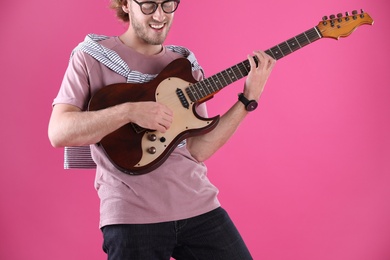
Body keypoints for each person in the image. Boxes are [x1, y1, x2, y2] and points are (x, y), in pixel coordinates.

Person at [48, 0, 276, 259]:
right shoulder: (90, 56)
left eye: (168, 4)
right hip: (132, 217)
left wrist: (247, 100)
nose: (160, 15)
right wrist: (130, 111)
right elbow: (59, 132)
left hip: (198, 207)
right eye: (148, 4)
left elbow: (198, 150)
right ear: (125, 4)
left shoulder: (183, 64)